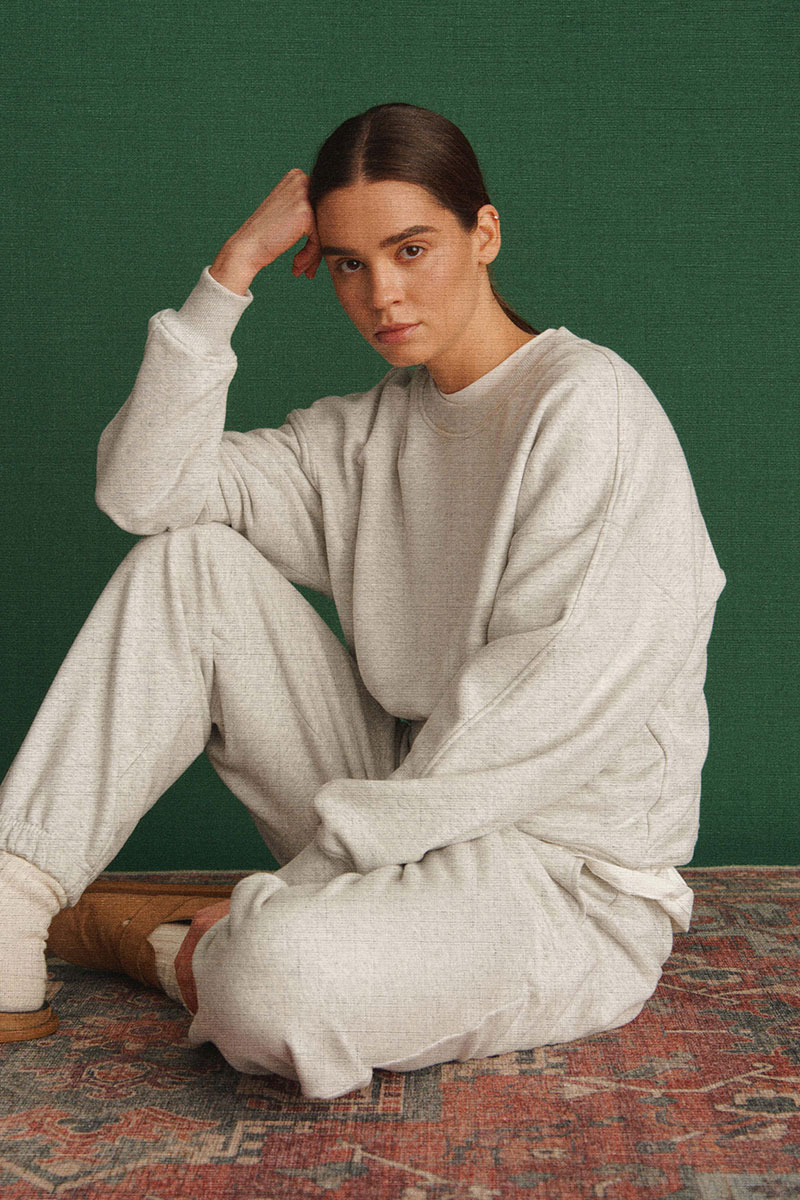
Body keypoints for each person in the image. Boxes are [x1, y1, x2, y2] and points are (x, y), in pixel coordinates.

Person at [0, 102, 726, 1099]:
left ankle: (177, 946)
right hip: (401, 811)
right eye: (349, 263)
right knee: (188, 563)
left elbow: (526, 724)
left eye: (410, 249)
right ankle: (14, 897)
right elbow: (144, 494)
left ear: (484, 233)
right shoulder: (362, 437)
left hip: (562, 879)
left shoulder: (587, 408)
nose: (381, 293)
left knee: (274, 979)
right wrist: (228, 277)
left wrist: (312, 880)